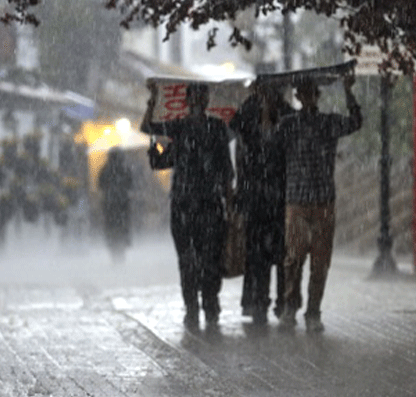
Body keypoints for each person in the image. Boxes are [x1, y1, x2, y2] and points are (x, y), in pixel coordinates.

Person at [273, 75, 362, 332]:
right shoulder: (288, 124)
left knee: (320, 262)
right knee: (294, 258)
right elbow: (269, 142)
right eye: (303, 93)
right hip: (297, 200)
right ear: (299, 97)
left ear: (316, 96)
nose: (308, 97)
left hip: (323, 200)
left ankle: (313, 311)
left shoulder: (328, 123)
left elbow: (356, 122)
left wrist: (348, 93)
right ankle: (291, 305)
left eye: (311, 92)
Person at [147, 84, 235, 330]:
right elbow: (151, 135)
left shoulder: (217, 128)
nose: (198, 100)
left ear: (206, 99)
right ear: (187, 100)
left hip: (209, 205)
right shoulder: (179, 128)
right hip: (184, 206)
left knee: (210, 258)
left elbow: (226, 171)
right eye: (194, 96)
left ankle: (209, 302)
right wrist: (152, 102)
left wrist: (229, 204)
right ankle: (192, 307)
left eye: (201, 96)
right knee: (187, 260)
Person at [230, 82, 296, 325]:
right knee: (257, 254)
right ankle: (258, 301)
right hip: (256, 197)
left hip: (278, 196)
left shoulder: (286, 115)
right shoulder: (248, 114)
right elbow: (236, 130)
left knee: (280, 253)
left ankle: (282, 301)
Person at [98, 148, 133, 263]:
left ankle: (114, 253)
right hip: (122, 204)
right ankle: (121, 253)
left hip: (109, 204)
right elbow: (131, 184)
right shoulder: (124, 169)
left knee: (112, 229)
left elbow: (100, 185)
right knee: (121, 229)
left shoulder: (105, 169)